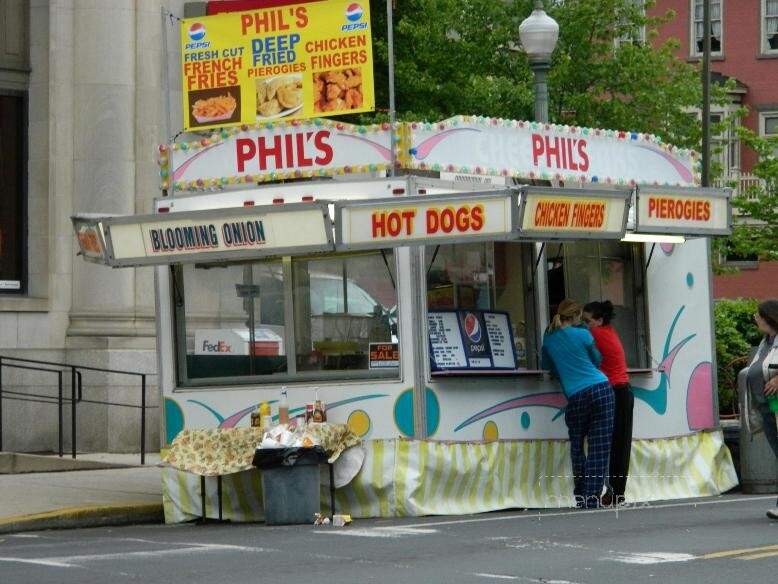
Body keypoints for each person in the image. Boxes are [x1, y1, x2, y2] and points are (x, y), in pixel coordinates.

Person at [542, 299, 615, 509]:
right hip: (601, 389)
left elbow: (547, 366)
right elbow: (597, 360)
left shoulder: (548, 339)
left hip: (575, 396)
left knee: (577, 446)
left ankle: (581, 495)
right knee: (599, 447)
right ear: (575, 317)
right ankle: (591, 497)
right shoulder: (583, 334)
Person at [583, 301, 632, 507]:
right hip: (623, 390)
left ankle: (612, 492)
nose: (584, 325)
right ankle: (617, 492)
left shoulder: (595, 335)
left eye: (587, 320)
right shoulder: (610, 331)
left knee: (610, 444)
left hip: (615, 391)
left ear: (599, 320)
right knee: (621, 444)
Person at [745, 299, 778, 520]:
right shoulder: (766, 341)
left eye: (758, 315)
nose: (756, 319)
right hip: (765, 406)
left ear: (768, 317)